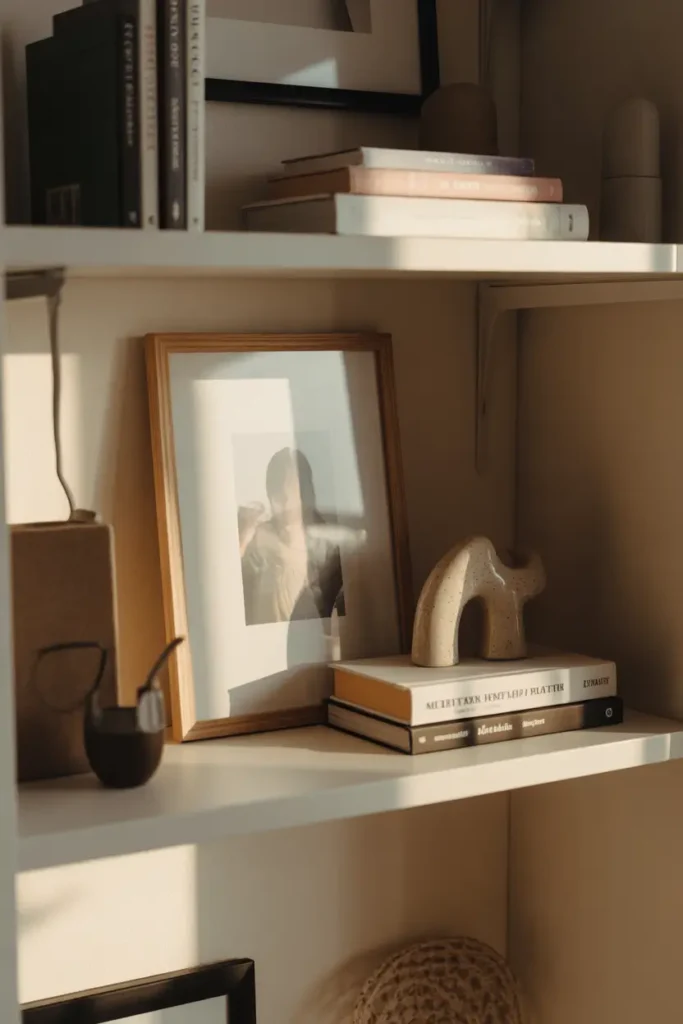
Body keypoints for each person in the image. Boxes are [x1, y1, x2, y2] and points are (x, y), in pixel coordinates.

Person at [238, 448, 345, 626]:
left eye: (293, 491)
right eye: (277, 493)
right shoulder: (258, 539)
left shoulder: (326, 548)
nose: (285, 502)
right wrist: (243, 539)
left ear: (308, 493)